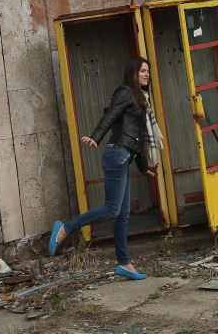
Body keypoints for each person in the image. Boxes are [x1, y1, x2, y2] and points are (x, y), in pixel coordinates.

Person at [48, 57, 160, 280]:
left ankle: (124, 264)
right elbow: (110, 115)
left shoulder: (140, 98)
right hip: (116, 154)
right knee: (112, 209)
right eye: (143, 71)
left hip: (124, 155)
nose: (147, 74)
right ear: (133, 73)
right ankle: (65, 229)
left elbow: (135, 137)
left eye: (148, 71)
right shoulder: (126, 92)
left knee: (123, 214)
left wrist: (143, 166)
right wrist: (96, 136)